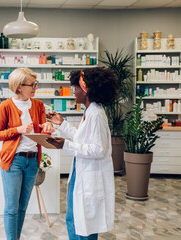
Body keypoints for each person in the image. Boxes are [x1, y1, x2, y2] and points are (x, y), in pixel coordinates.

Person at [46, 67, 117, 239]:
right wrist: (61, 124)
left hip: (90, 176)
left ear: (87, 90)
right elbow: (82, 139)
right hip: (81, 172)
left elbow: (100, 149)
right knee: (74, 218)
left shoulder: (96, 115)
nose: (73, 91)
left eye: (76, 88)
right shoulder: (89, 111)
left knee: (84, 224)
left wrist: (66, 145)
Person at [0, 68, 54, 240]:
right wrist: (17, 130)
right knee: (12, 208)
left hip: (33, 161)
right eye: (32, 84)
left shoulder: (38, 105)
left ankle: (16, 237)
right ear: (19, 87)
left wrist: (48, 128)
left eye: (36, 83)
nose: (35, 87)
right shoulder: (6, 106)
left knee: (22, 206)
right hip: (13, 161)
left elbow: (43, 132)